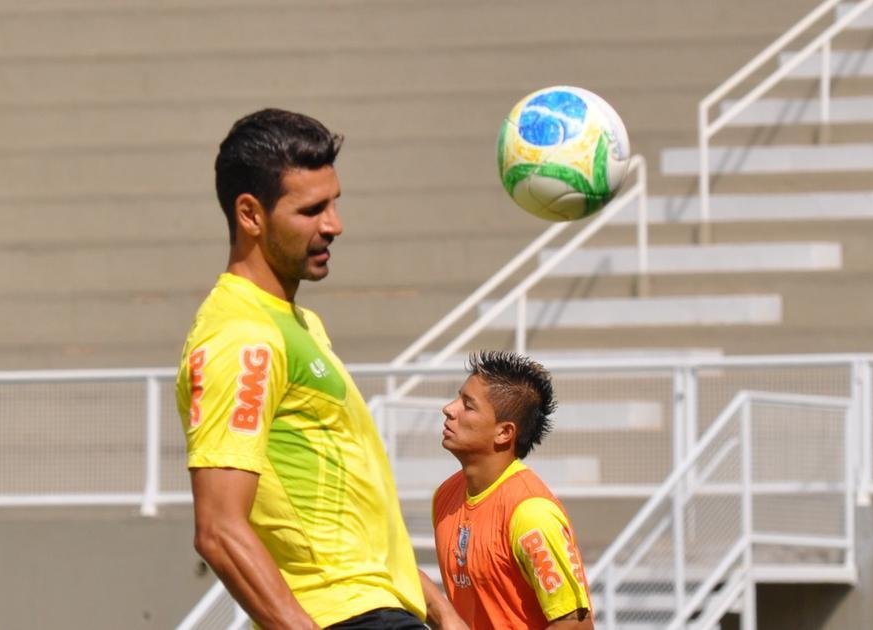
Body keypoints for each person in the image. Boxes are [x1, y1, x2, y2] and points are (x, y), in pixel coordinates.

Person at [175, 108, 462, 629]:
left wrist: (440, 609)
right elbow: (218, 528)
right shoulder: (242, 339)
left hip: (378, 609)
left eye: (334, 203)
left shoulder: (296, 324)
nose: (335, 225)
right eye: (311, 210)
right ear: (250, 214)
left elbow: (350, 528)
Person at [432, 351, 595, 629]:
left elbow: (576, 626)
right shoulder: (445, 496)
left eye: (468, 405)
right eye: (458, 397)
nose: (449, 408)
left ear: (504, 433)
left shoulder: (532, 513)